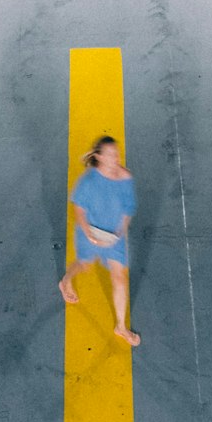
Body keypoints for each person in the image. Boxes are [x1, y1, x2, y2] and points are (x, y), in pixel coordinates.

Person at [59, 135, 140, 346]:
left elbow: (128, 209)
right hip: (90, 232)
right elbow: (79, 211)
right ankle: (65, 281)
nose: (116, 158)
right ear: (99, 157)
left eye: (117, 153)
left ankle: (121, 327)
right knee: (84, 265)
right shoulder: (88, 181)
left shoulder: (125, 177)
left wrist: (119, 233)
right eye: (111, 154)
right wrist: (91, 237)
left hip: (114, 235)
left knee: (119, 277)